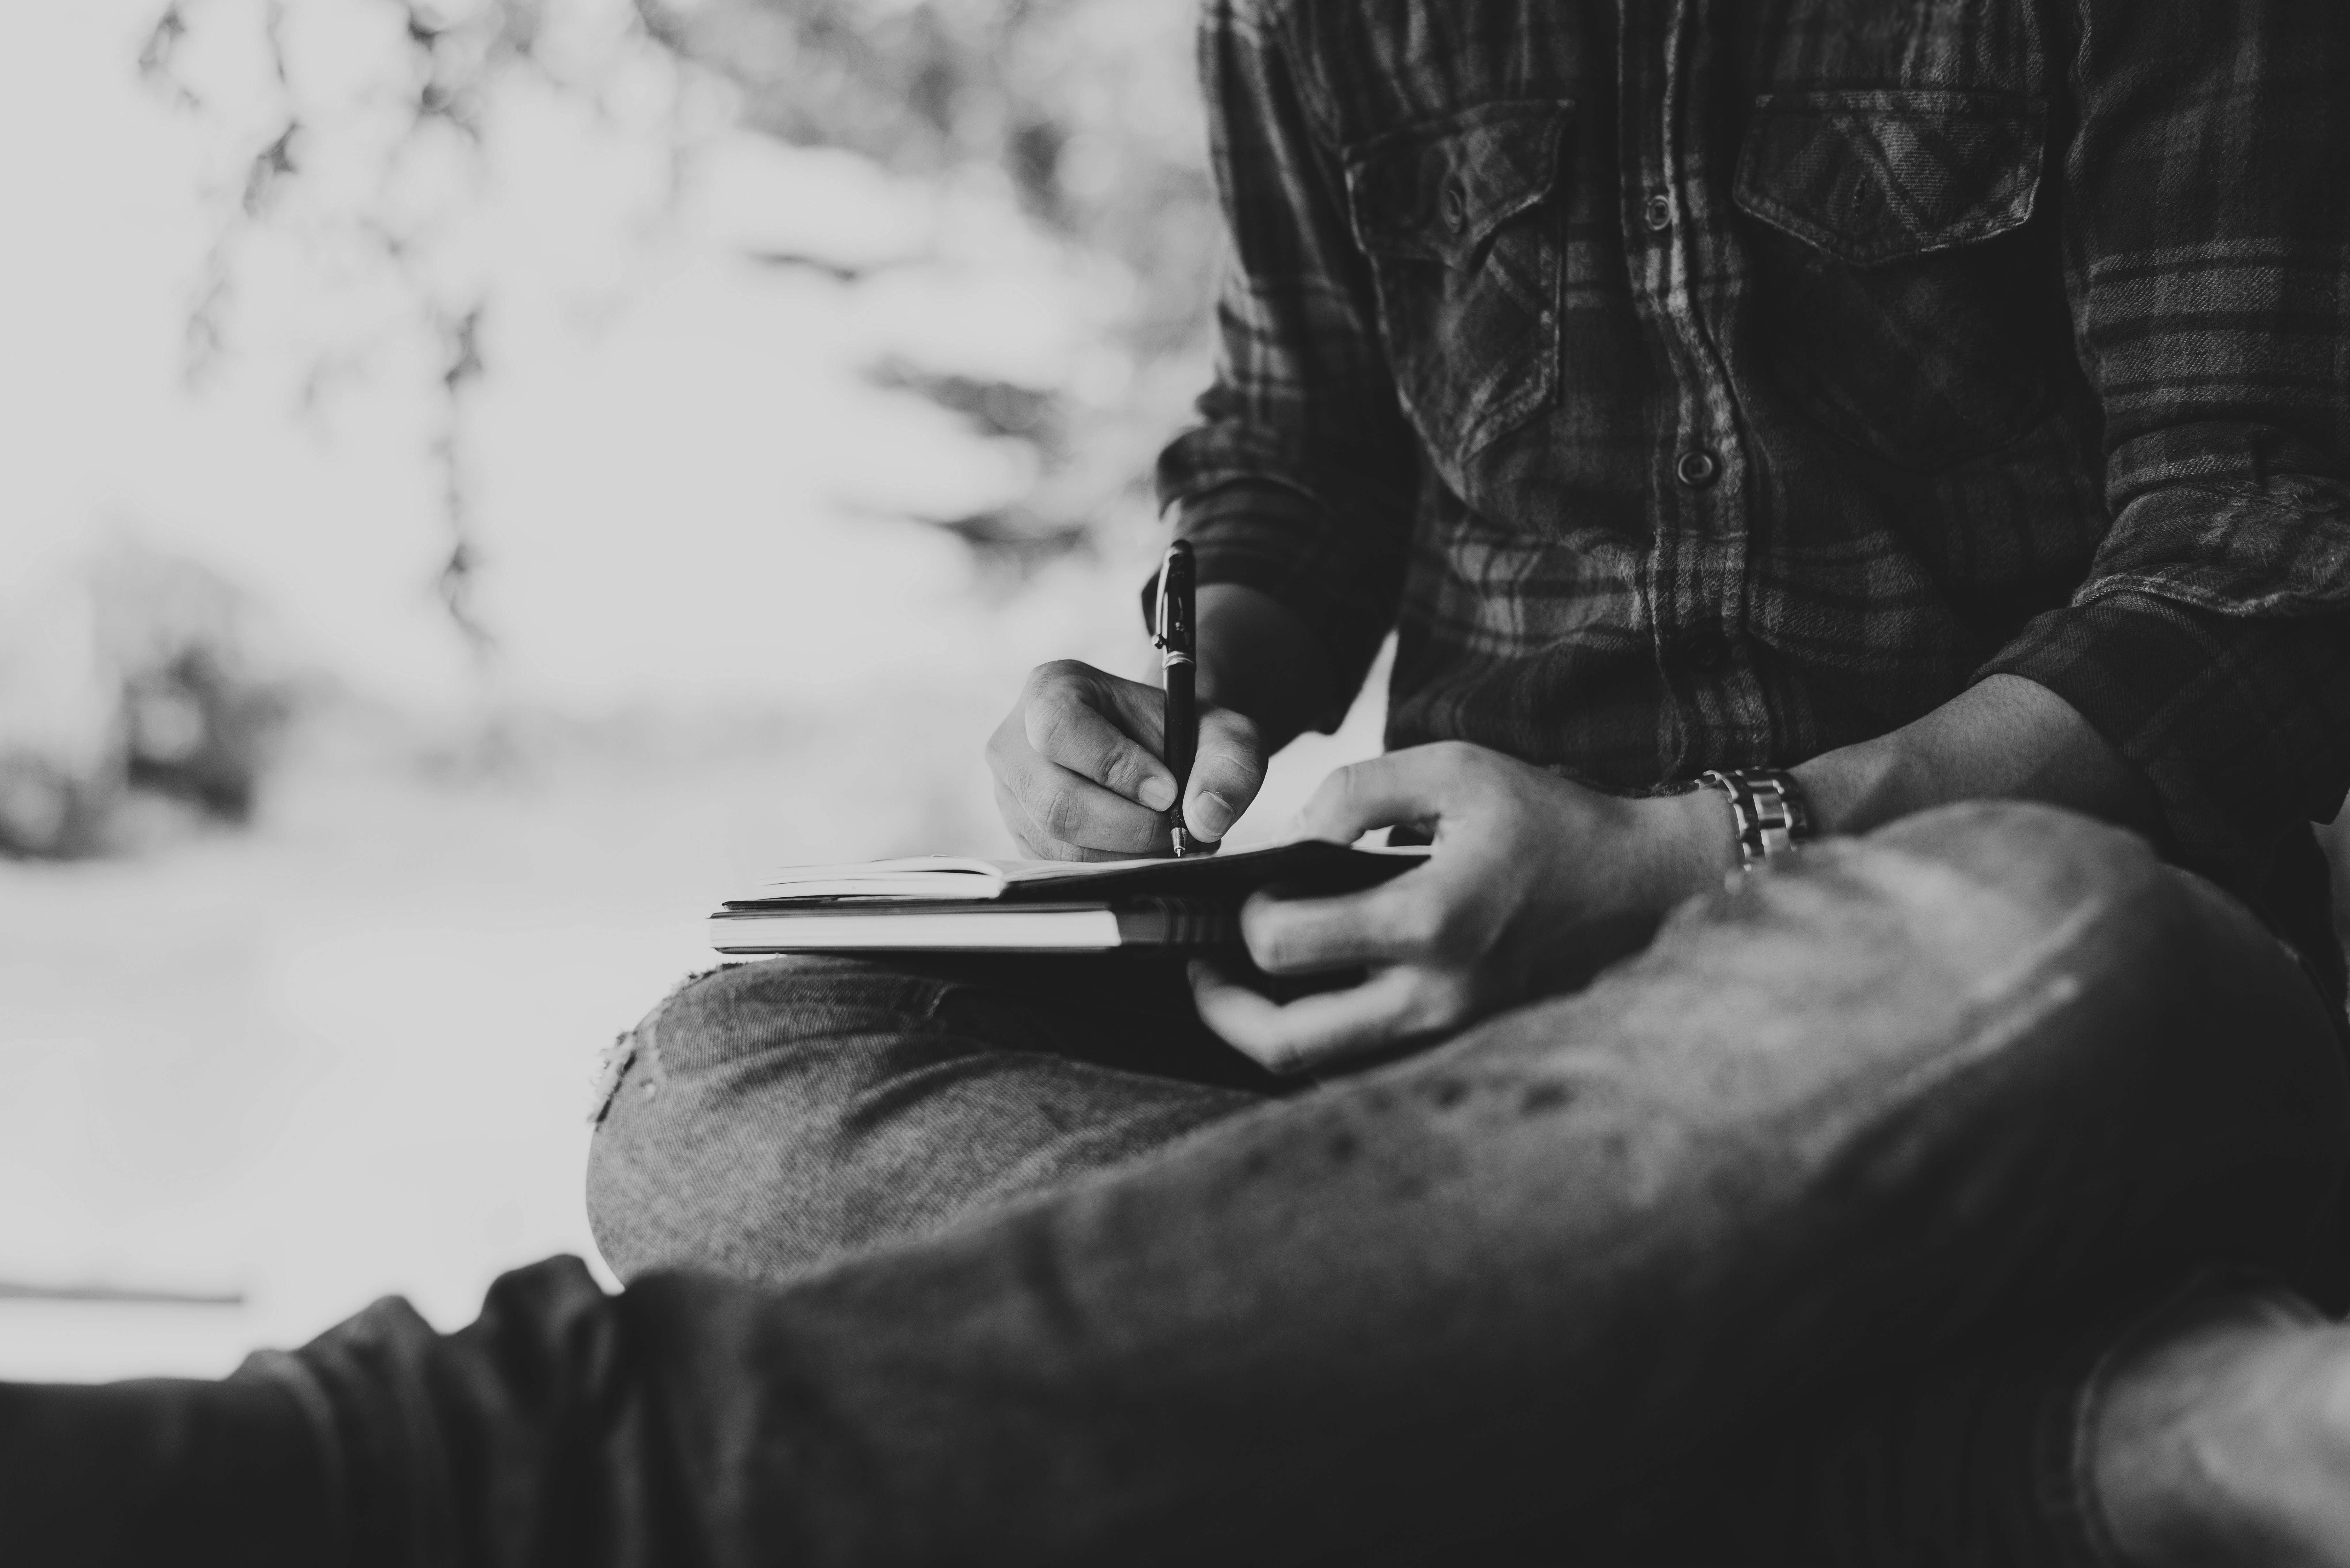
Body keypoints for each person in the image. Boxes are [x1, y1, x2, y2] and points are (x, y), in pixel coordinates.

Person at [9, 1, 2350, 1563]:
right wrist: (1198, 699)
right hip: (1464, 1056)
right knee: (720, 1081)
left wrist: (1679, 867)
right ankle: (2094, 1442)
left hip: (1980, 985)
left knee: (2043, 931)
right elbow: (1293, 452)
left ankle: (435, 1477)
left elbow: (2258, 574)